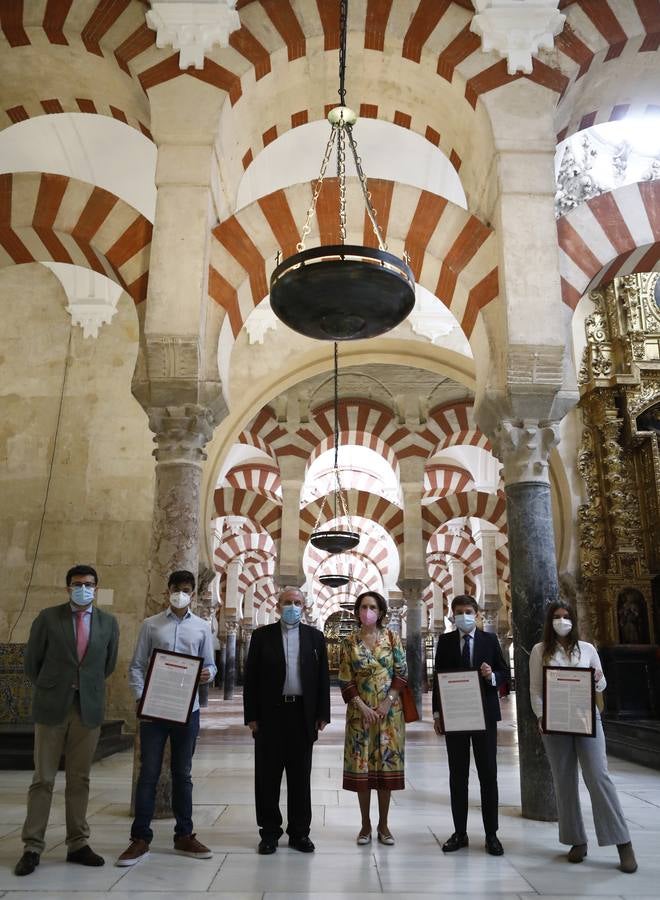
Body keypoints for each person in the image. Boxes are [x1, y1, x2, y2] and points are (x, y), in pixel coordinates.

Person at [14, 565, 119, 877]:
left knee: (79, 778)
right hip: (52, 706)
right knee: (43, 778)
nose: (83, 588)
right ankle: (32, 845)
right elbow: (32, 662)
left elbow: (108, 664)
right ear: (68, 588)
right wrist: (55, 686)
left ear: (96, 588)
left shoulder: (108, 623)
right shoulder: (48, 618)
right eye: (77, 584)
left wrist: (84, 685)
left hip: (87, 708)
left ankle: (78, 843)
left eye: (89, 584)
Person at [116, 570, 216, 866]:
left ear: (193, 594)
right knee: (149, 772)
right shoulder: (151, 625)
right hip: (155, 709)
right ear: (167, 591)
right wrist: (140, 697)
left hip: (188, 709)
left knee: (182, 773)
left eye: (186, 589)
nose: (180, 594)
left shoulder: (202, 627)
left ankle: (184, 834)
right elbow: (137, 666)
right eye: (176, 589)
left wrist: (209, 674)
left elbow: (211, 665)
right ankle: (140, 838)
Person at [529, 601, 637, 873]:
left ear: (573, 620)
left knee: (599, 776)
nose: (562, 621)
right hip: (556, 721)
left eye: (566, 616)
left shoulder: (587, 649)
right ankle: (576, 840)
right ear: (549, 621)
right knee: (564, 780)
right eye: (557, 616)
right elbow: (536, 689)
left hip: (586, 718)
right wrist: (542, 717)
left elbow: (601, 684)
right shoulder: (540, 650)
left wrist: (598, 678)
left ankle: (622, 841)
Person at [243, 586, 330, 855]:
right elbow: (251, 678)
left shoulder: (315, 637)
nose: (293, 607)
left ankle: (299, 833)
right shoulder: (262, 636)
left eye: (298, 603)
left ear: (304, 607)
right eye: (288, 602)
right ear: (278, 605)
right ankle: (269, 832)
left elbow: (322, 678)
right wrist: (251, 716)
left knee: (300, 776)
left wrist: (322, 714)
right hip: (270, 714)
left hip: (302, 714)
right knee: (267, 776)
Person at [432, 594, 509, 856]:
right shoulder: (445, 641)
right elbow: (438, 678)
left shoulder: (489, 639)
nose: (463, 616)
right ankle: (460, 833)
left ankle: (491, 834)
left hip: (484, 716)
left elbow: (504, 672)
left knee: (488, 775)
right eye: (458, 612)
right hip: (455, 716)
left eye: (468, 611)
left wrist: (491, 676)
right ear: (452, 615)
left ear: (476, 614)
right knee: (458, 776)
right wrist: (437, 714)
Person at [338, 591, 408, 846]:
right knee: (363, 769)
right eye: (363, 607)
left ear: (381, 612)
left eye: (373, 607)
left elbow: (402, 673)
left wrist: (387, 702)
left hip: (389, 714)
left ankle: (384, 825)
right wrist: (363, 707)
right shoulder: (349, 642)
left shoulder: (392, 637)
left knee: (385, 768)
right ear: (357, 611)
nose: (368, 611)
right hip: (360, 715)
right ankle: (365, 824)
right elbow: (345, 679)